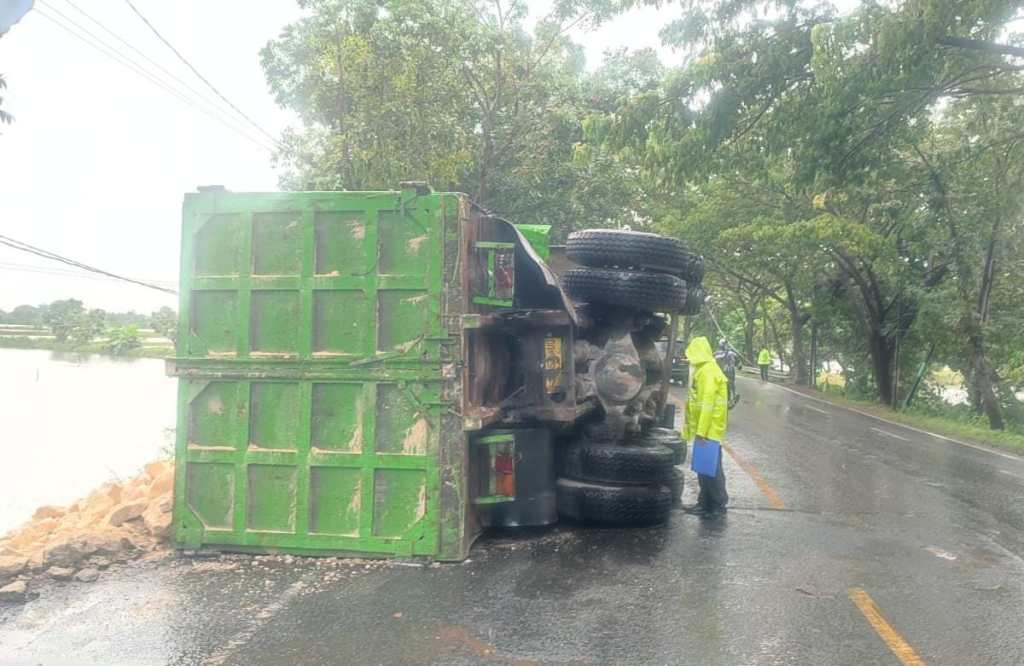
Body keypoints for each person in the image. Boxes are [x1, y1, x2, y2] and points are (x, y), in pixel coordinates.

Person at [682, 336, 729, 518]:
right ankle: (704, 503)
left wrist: (701, 431)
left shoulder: (708, 372)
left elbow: (707, 403)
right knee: (704, 468)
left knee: (712, 470)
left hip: (709, 430)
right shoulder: (703, 370)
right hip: (705, 429)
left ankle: (717, 505)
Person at [714, 339, 741, 407]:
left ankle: (728, 399)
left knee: (723, 386)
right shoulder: (731, 353)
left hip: (721, 373)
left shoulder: (716, 354)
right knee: (730, 385)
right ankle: (732, 397)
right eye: (726, 344)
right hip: (729, 372)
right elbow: (739, 363)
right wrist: (739, 366)